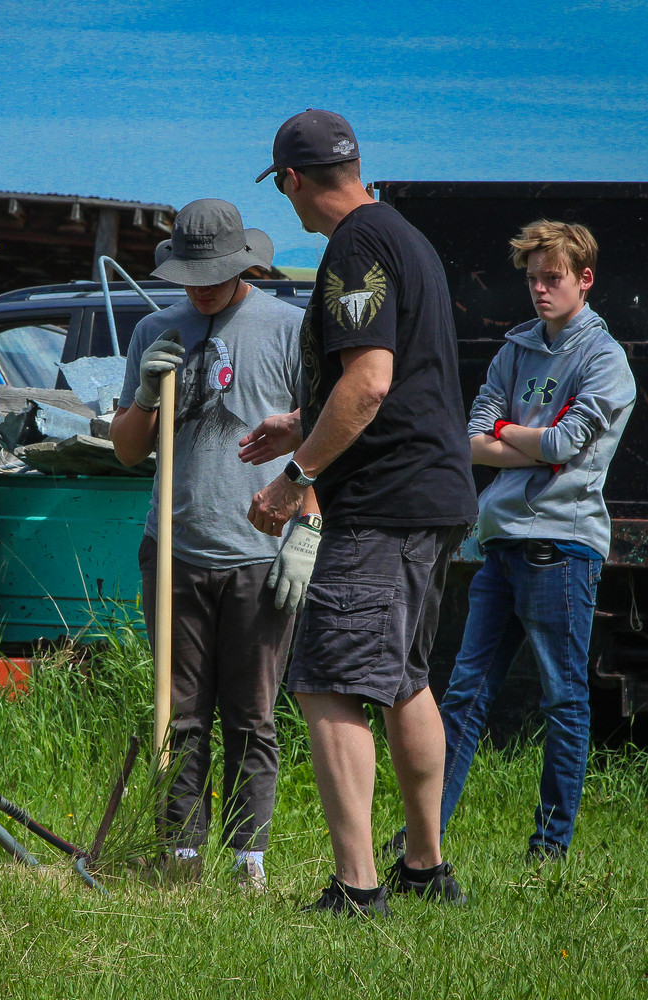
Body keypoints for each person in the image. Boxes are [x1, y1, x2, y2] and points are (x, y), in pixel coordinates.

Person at [246, 109, 477, 917]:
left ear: (292, 179)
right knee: (405, 678)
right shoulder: (402, 235)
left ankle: (357, 887)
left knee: (329, 682)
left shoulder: (355, 246)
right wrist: (305, 420)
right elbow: (396, 380)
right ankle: (425, 868)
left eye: (283, 188)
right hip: (432, 493)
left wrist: (295, 475)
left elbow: (372, 380)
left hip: (383, 502)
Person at [110, 199, 309, 890]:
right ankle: (182, 856)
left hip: (258, 552)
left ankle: (248, 860)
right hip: (174, 549)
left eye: (213, 275)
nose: (199, 288)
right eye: (189, 276)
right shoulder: (155, 330)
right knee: (181, 712)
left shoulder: (288, 330)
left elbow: (321, 442)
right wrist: (144, 395)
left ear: (242, 265)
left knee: (252, 716)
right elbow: (128, 451)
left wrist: (306, 528)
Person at [431, 220, 635, 861]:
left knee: (562, 700)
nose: (540, 290)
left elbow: (566, 444)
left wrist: (513, 436)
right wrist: (531, 442)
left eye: (553, 278)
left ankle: (549, 849)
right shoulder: (514, 350)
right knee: (463, 695)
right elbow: (471, 440)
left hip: (562, 547)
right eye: (532, 279)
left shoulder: (604, 360)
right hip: (499, 544)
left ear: (585, 279)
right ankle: (423, 841)